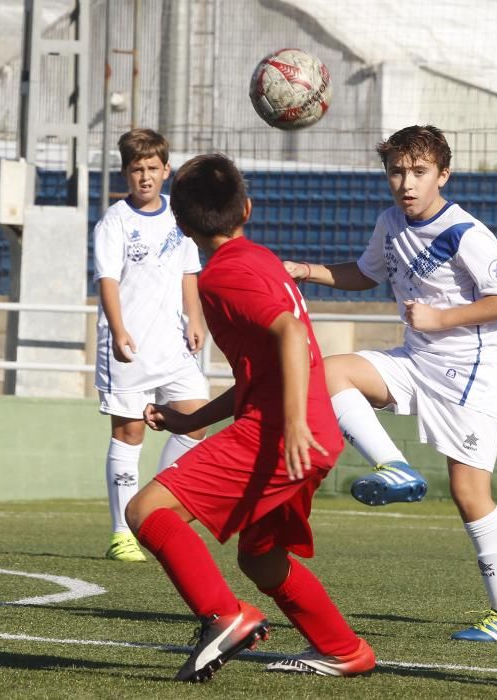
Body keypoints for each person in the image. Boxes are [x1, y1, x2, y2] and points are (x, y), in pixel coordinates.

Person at [124, 153, 376, 682]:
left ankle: (224, 615)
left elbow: (288, 334)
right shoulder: (260, 259)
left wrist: (292, 425)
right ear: (248, 208)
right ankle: (346, 650)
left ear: (183, 225)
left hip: (281, 432)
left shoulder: (224, 278)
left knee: (147, 510)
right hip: (308, 430)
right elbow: (260, 371)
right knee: (260, 557)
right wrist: (190, 421)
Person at [284, 124, 497, 642]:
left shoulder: (466, 232)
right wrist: (304, 270)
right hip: (417, 358)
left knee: (470, 494)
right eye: (397, 171)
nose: (407, 182)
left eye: (419, 172)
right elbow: (365, 272)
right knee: (329, 371)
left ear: (443, 174)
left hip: (471, 373)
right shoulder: (390, 222)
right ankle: (392, 466)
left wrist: (442, 320)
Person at [93, 128, 209, 562]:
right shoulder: (115, 221)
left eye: (152, 169)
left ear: (166, 170)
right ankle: (122, 531)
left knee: (195, 419)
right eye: (137, 169)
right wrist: (118, 329)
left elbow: (188, 272)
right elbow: (106, 278)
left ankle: (156, 506)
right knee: (130, 432)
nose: (145, 177)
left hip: (172, 345)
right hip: (129, 345)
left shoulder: (179, 217)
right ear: (126, 172)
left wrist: (195, 317)